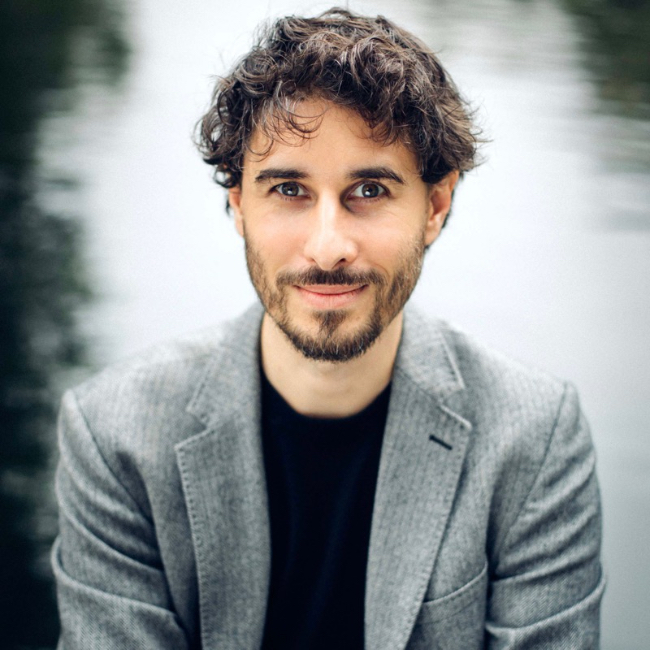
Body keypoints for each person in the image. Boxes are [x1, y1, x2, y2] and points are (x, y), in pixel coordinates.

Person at [51, 8, 604, 649]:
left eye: (369, 190)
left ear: (436, 205)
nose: (328, 247)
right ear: (239, 205)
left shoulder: (533, 439)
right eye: (289, 190)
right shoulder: (116, 436)